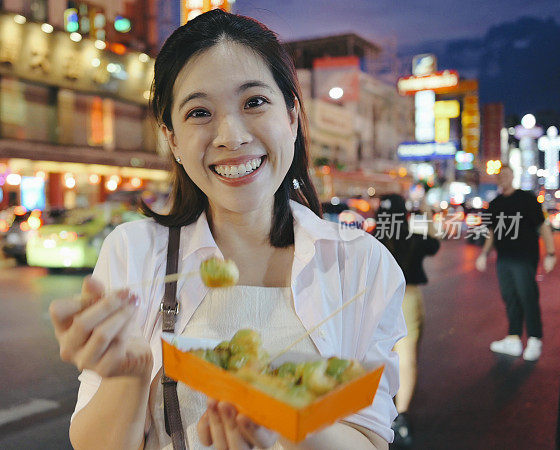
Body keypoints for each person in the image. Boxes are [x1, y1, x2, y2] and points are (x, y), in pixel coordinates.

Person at [49, 10, 405, 449]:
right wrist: (128, 377)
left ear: (292, 116)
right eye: (199, 112)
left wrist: (285, 424)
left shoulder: (361, 263)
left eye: (254, 102)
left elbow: (371, 439)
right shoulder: (134, 252)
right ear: (172, 138)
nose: (231, 136)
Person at [374, 194, 440, 447]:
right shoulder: (413, 237)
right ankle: (400, 416)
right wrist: (427, 214)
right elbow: (435, 243)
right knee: (406, 358)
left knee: (376, 355)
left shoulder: (370, 239)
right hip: (406, 299)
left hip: (375, 301)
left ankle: (377, 410)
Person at [476, 165, 555, 361]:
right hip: (504, 258)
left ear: (513, 176)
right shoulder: (495, 204)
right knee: (510, 297)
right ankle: (513, 338)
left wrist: (551, 253)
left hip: (525, 257)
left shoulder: (527, 199)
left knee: (527, 296)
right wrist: (484, 254)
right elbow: (492, 232)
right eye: (500, 175)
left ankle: (535, 339)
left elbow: (542, 226)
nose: (503, 178)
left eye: (507, 174)